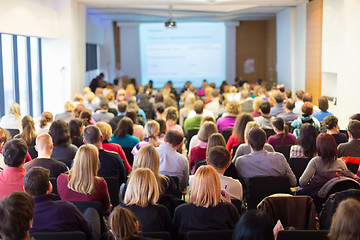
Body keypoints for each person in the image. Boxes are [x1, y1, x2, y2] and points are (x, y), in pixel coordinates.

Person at [24, 167, 95, 240]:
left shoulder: (20, 216)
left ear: (24, 190)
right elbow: (89, 234)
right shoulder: (67, 208)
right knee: (92, 211)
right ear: (50, 186)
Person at [173, 165, 239, 234]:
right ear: (217, 186)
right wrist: (229, 204)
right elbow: (239, 235)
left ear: (195, 186)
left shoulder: (181, 211)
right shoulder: (229, 210)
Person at [57, 144, 111, 211]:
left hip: (67, 220)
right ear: (96, 162)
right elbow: (106, 207)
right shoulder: (100, 183)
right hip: (91, 220)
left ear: (76, 159)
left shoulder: (61, 179)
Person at [122, 168, 173, 233]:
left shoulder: (119, 211)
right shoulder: (161, 212)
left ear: (130, 186)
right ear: (153, 187)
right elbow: (171, 236)